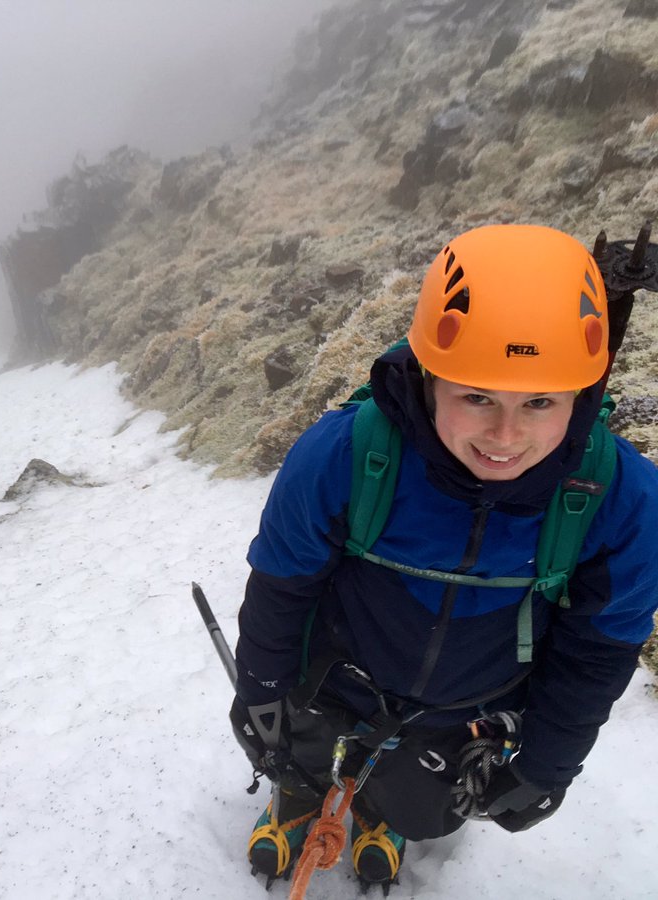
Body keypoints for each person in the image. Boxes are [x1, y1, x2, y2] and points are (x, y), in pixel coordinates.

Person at [229, 223, 658, 893]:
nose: (506, 438)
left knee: (422, 810)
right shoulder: (343, 458)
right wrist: (260, 690)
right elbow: (282, 588)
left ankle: (382, 815)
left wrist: (549, 763)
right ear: (429, 378)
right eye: (476, 396)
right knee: (298, 750)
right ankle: (298, 797)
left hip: (467, 709)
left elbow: (597, 652)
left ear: (584, 392)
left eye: (541, 402)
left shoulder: (619, 501)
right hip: (333, 676)